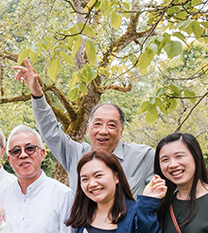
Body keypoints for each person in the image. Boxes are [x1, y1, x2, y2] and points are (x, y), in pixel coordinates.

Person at [15, 57, 155, 197]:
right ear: (88, 129)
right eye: (98, 124)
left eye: (111, 125)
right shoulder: (75, 154)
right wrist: (37, 93)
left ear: (121, 131)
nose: (103, 131)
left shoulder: (143, 156)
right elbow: (50, 131)